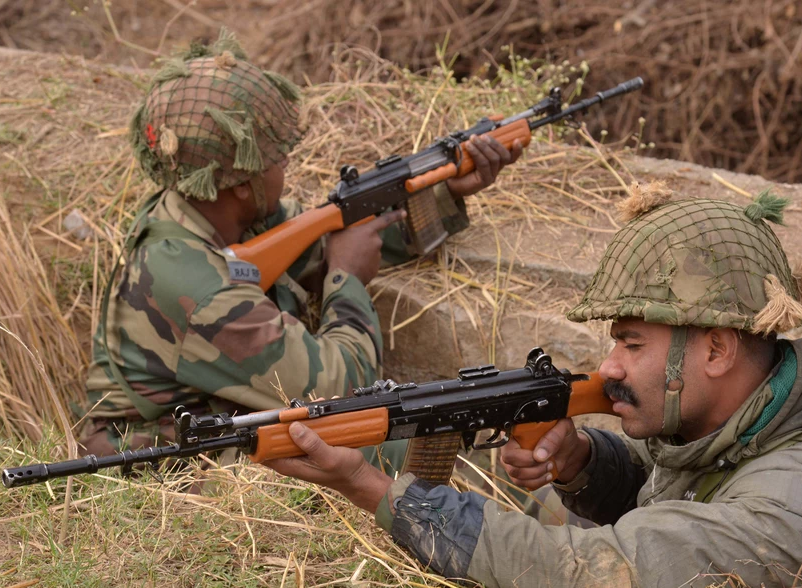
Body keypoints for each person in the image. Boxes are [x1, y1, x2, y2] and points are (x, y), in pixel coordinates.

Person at [266, 187, 802, 588]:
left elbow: (588, 577)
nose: (610, 368)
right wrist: (582, 462)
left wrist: (374, 488)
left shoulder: (790, 514)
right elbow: (682, 489)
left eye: (632, 344)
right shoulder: (752, 418)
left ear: (716, 350)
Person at [79, 29, 521, 471]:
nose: (286, 161)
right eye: (276, 157)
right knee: (405, 456)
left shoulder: (197, 212)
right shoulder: (198, 291)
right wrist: (346, 280)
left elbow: (323, 242)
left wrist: (444, 194)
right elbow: (343, 391)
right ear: (239, 183)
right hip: (152, 460)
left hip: (202, 418)